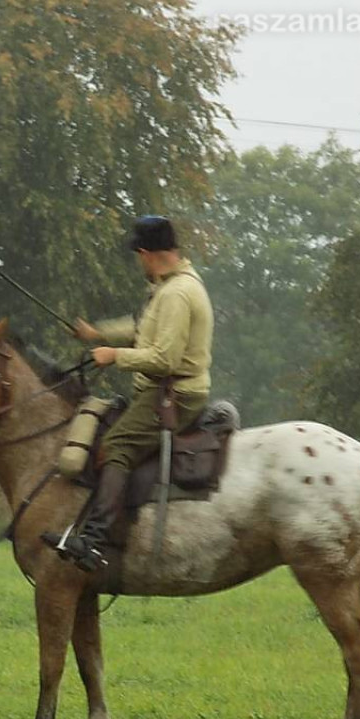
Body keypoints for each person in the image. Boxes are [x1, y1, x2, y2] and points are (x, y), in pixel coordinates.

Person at [44, 216, 214, 571]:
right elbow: (143, 328)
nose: (138, 262)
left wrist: (114, 356)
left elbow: (164, 359)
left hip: (175, 395)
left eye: (138, 255)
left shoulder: (177, 294)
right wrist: (96, 334)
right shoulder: (170, 286)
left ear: (146, 253)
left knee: (117, 445)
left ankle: (94, 539)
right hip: (164, 391)